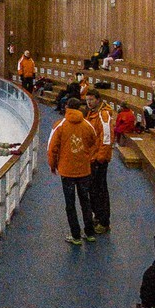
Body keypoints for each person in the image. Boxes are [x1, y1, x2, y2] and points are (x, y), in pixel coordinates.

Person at [48, 99, 100, 244]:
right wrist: (86, 157)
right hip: (84, 170)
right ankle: (89, 233)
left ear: (66, 107)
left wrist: (53, 166)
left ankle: (76, 236)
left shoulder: (60, 125)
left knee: (70, 204)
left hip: (67, 171)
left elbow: (52, 148)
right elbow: (93, 142)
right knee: (86, 201)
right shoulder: (87, 124)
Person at [87, 95, 115, 234]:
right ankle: (97, 216)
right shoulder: (91, 114)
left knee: (100, 190)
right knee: (93, 190)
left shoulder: (103, 116)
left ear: (98, 99)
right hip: (92, 159)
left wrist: (101, 158)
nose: (89, 102)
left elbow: (107, 137)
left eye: (91, 100)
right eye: (87, 100)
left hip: (99, 160)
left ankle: (104, 222)